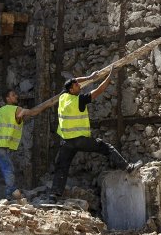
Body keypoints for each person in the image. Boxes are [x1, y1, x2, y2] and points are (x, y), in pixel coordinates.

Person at [48, 68, 141, 202]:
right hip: (80, 140)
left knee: (61, 167)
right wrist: (109, 77)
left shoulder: (63, 97)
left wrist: (89, 77)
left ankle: (54, 195)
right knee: (105, 147)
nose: (79, 86)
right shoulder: (79, 100)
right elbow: (99, 91)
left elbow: (74, 81)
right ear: (71, 90)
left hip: (66, 141)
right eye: (76, 86)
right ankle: (128, 168)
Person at [0, 89, 52, 200]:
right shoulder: (15, 109)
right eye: (13, 95)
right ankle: (10, 194)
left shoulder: (0, 111)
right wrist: (49, 103)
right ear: (7, 98)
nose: (16, 96)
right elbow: (33, 112)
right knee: (8, 168)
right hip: (1, 144)